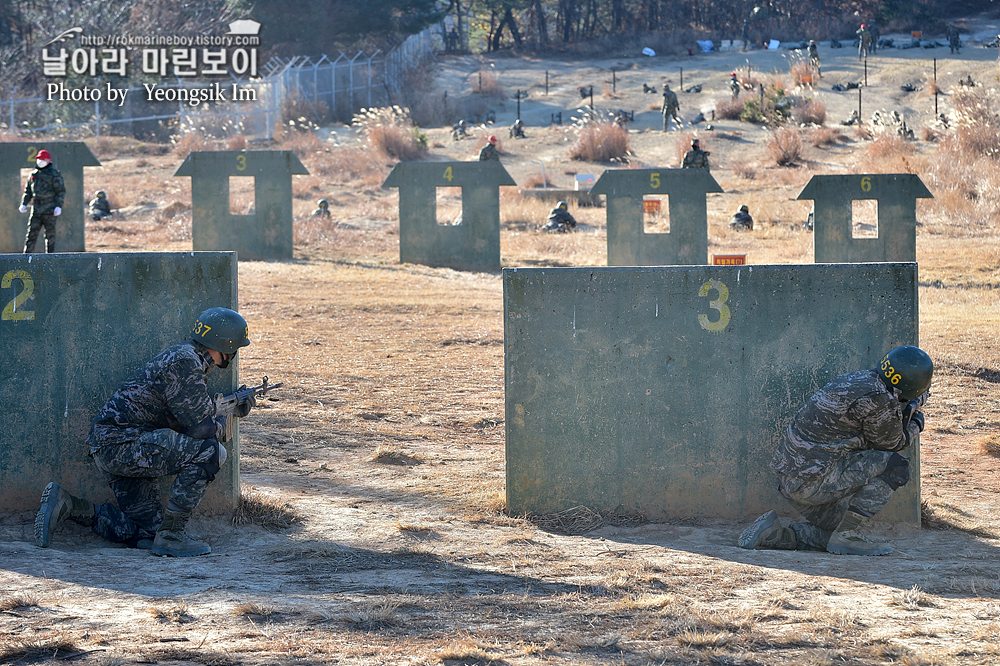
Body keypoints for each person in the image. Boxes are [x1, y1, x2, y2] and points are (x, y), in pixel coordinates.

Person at [35, 308, 255, 557]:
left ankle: (71, 505)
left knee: (145, 532)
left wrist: (230, 408)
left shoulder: (184, 357)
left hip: (115, 447)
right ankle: (172, 536)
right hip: (123, 445)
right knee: (212, 452)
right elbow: (201, 429)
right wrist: (223, 421)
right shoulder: (186, 363)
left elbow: (189, 414)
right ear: (225, 346)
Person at [739, 345, 933, 556]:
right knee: (896, 467)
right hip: (812, 482)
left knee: (835, 531)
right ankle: (847, 535)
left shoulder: (860, 380)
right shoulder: (880, 399)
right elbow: (893, 443)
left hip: (792, 479)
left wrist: (906, 405)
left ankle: (775, 535)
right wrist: (916, 422)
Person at [20, 148, 65, 253]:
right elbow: (28, 192)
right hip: (36, 209)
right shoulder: (34, 175)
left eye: (43, 159)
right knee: (31, 235)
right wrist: (24, 204)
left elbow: (60, 191)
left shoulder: (54, 174)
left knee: (50, 236)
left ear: (48, 160)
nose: (40, 161)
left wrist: (58, 206)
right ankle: (26, 259)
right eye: (39, 159)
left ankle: (50, 259)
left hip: (49, 209)